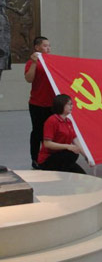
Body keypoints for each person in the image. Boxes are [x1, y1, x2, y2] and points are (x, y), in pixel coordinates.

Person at [36, 94, 86, 174]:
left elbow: (75, 140)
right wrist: (68, 146)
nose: (72, 106)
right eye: (69, 104)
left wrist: (86, 156)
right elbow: (47, 144)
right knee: (72, 153)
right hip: (48, 158)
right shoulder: (52, 121)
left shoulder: (68, 121)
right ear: (61, 105)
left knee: (82, 175)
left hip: (61, 155)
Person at [25, 36, 54, 169]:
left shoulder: (53, 61)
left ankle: (48, 157)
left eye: (49, 46)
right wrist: (34, 63)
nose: (48, 48)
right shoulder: (31, 63)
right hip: (37, 104)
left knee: (51, 132)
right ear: (37, 47)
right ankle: (35, 158)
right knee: (37, 132)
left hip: (53, 104)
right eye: (45, 46)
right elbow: (29, 79)